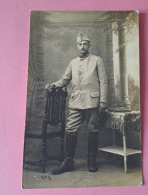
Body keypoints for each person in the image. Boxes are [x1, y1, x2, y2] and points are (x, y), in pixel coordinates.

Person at [45, 33, 107, 174]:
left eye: (85, 44)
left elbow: (103, 81)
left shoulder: (97, 60)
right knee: (71, 128)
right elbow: (65, 80)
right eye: (80, 44)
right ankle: (68, 162)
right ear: (76, 46)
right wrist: (54, 85)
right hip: (76, 101)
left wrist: (103, 100)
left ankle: (92, 160)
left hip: (93, 101)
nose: (82, 46)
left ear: (89, 45)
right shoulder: (73, 62)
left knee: (93, 129)